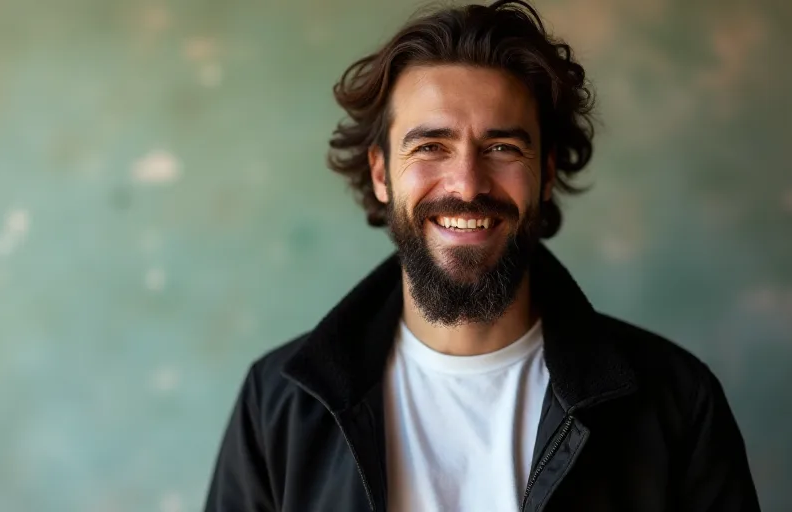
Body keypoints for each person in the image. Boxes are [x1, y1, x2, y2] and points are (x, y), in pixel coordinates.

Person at [204, 1, 760, 510]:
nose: (467, 184)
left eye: (501, 147)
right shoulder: (278, 405)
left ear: (545, 174)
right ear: (380, 173)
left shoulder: (676, 403)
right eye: (430, 147)